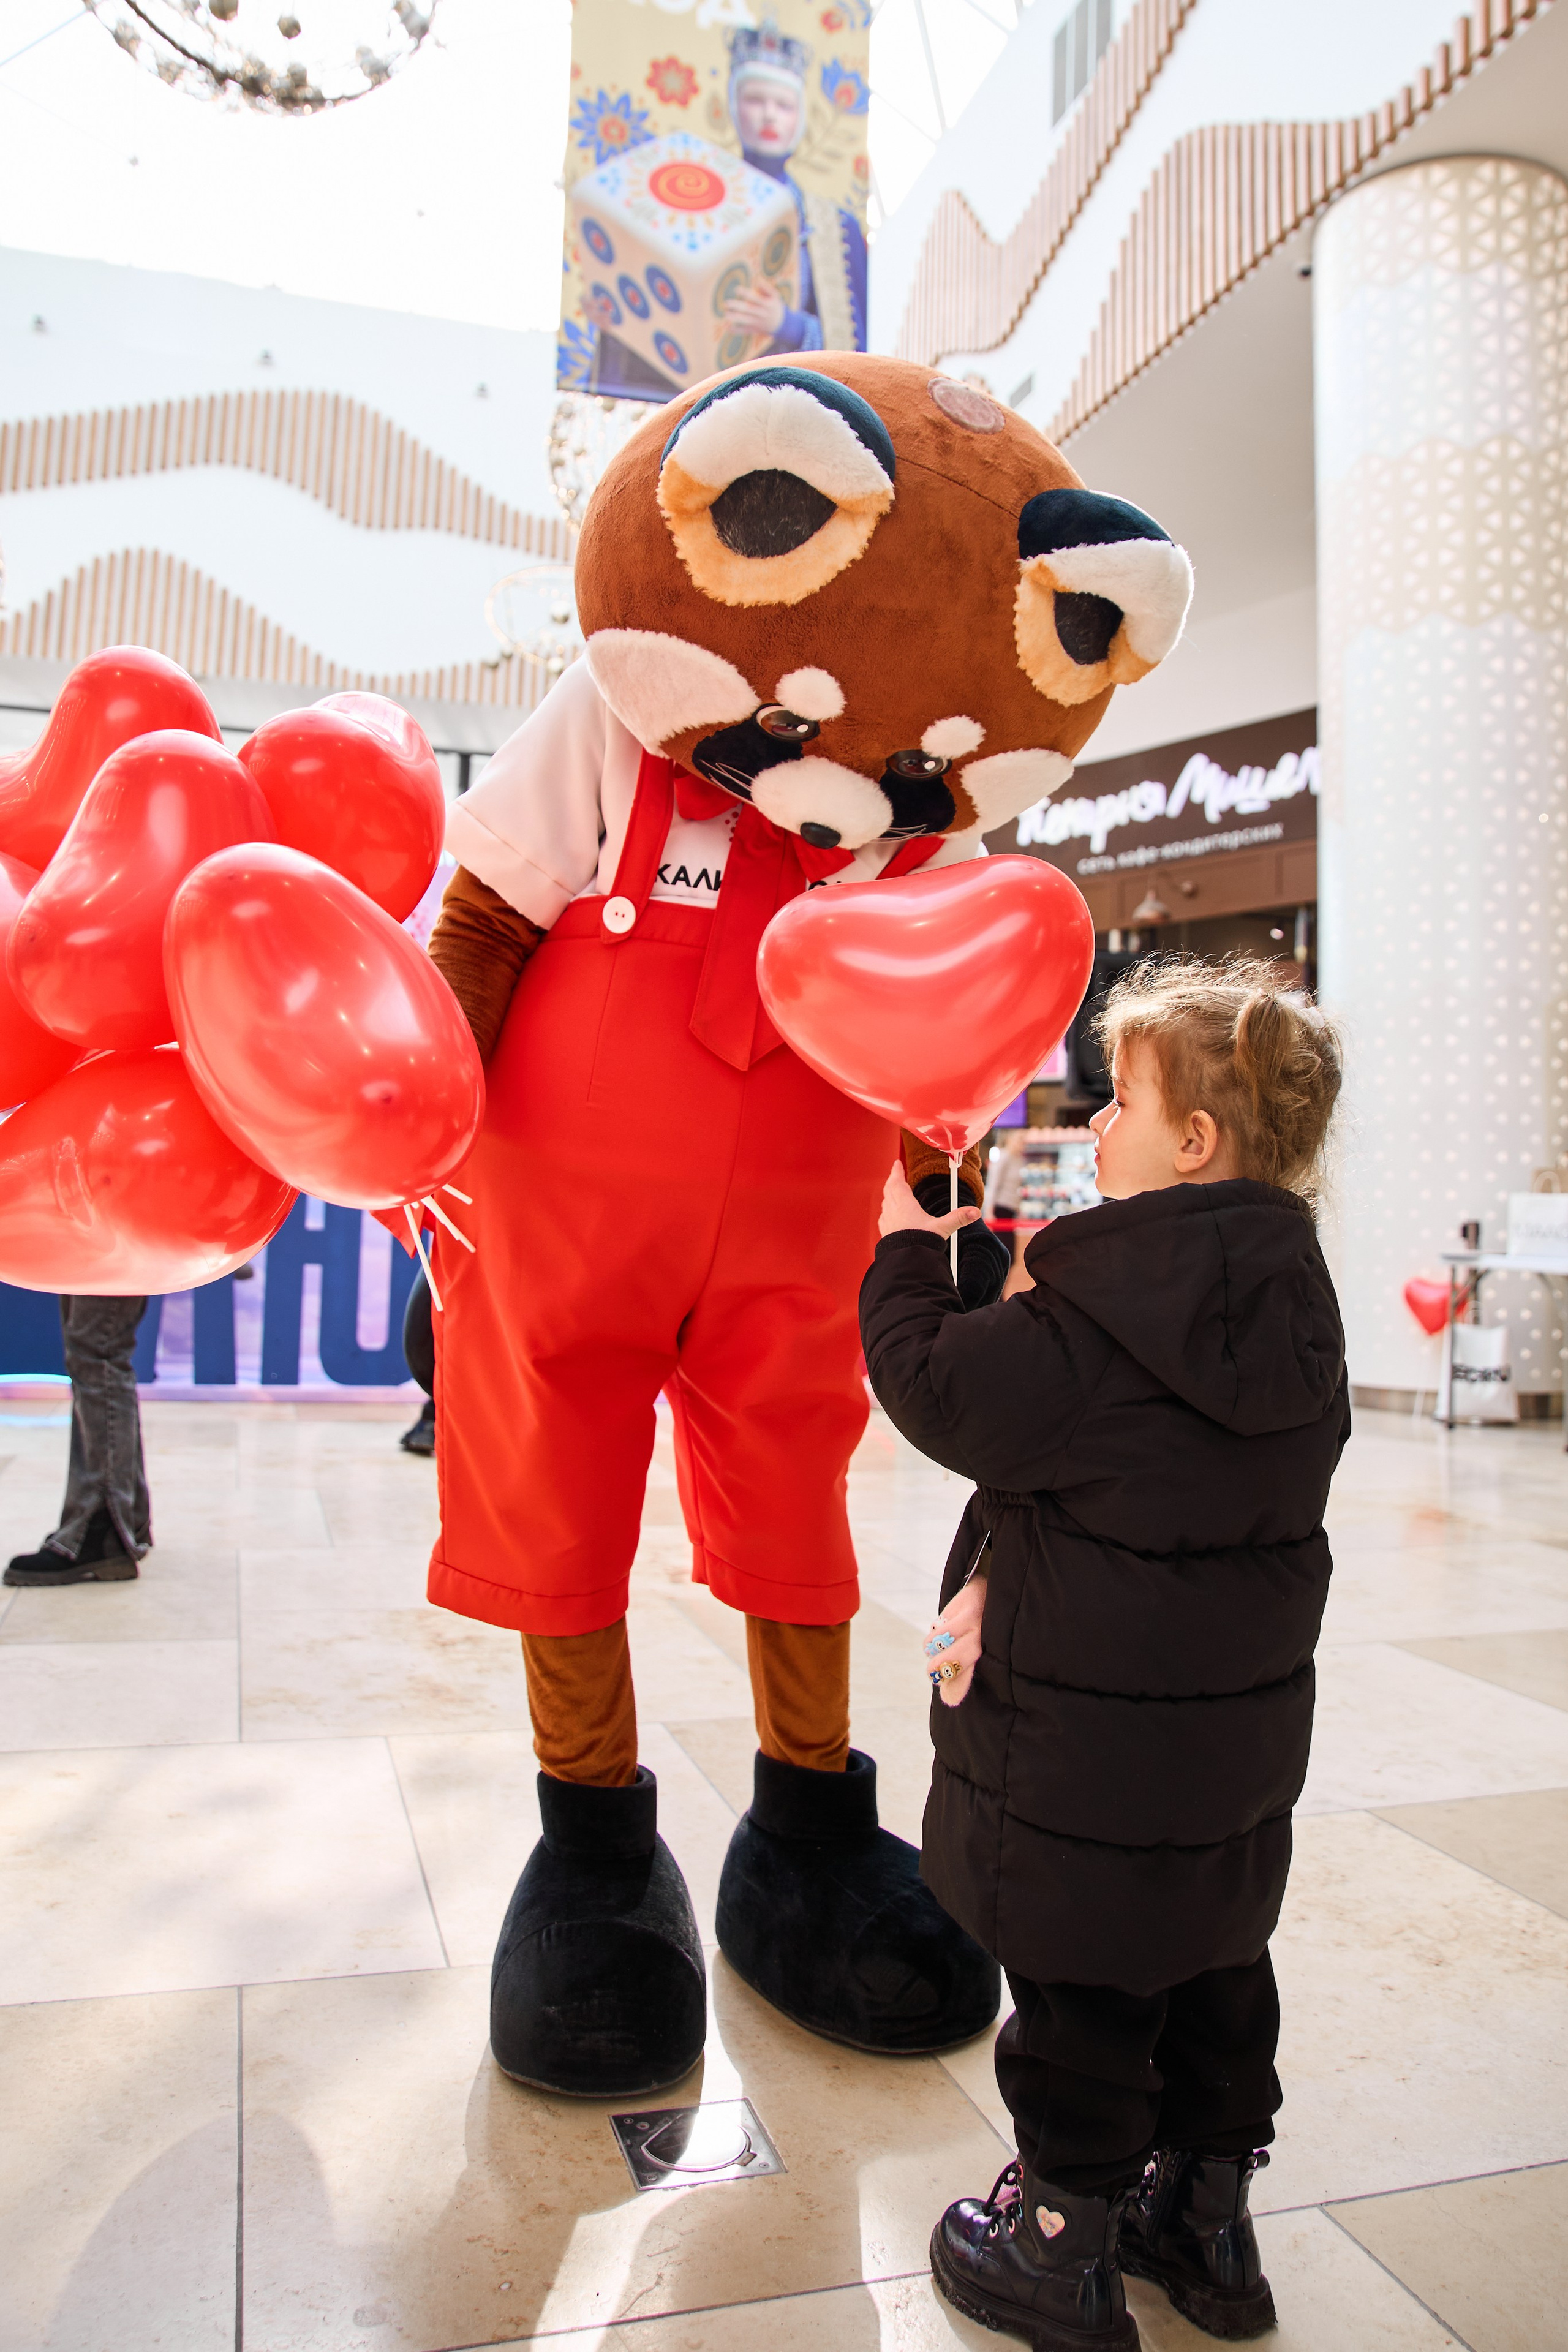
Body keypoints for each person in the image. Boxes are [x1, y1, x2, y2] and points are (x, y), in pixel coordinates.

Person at [859, 959, 1348, 2349]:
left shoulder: (1103, 1301)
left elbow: (944, 1389)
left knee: (1078, 1981)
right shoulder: (1291, 1303)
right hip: (1226, 1750)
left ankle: (1056, 2244)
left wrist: (901, 1253)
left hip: (1084, 1749)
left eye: (1114, 1100)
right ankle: (1202, 2222)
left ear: (1190, 1142)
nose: (1088, 1126)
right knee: (1206, 1952)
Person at [720, 20, 868, 356]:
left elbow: (856, 352)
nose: (769, 115)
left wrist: (789, 325)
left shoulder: (836, 229)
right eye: (756, 100)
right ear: (734, 106)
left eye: (784, 105)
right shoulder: (704, 204)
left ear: (799, 116)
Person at [4, 1297, 153, 1586]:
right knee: (99, 1348)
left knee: (98, 1349)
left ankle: (100, 1528)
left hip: (111, 1249)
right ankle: (125, 1520)